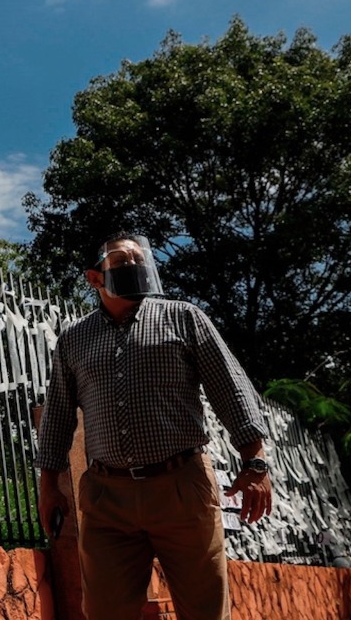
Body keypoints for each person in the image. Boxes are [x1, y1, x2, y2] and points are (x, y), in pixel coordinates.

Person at [36, 232, 273, 620]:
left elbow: (231, 390)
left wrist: (256, 463)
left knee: (206, 612)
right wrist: (48, 487)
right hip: (105, 499)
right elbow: (59, 416)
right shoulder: (73, 340)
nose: (134, 265)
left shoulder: (184, 317)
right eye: (121, 260)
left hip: (182, 488)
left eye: (138, 258)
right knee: (104, 612)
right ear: (94, 278)